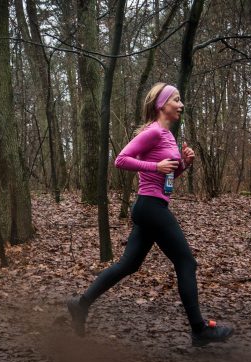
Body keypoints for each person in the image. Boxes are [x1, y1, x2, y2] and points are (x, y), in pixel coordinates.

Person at [67, 82, 234, 347]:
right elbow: (121, 159)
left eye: (180, 100)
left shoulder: (168, 136)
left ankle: (81, 304)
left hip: (153, 206)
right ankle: (199, 329)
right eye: (176, 100)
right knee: (186, 263)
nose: (181, 105)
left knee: (129, 265)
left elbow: (165, 177)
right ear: (162, 104)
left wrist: (183, 166)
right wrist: (155, 165)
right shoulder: (153, 132)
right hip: (150, 207)